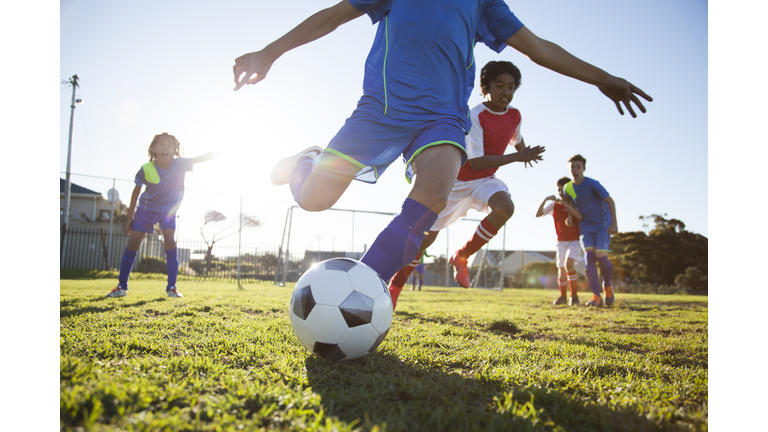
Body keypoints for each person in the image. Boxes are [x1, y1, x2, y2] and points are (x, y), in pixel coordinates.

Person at [232, 0, 652, 290]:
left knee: (433, 194)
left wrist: (603, 78)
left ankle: (364, 285)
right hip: (380, 109)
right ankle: (309, 160)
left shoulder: (486, 3)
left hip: (443, 117)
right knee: (314, 199)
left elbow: (539, 49)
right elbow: (331, 17)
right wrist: (270, 52)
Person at [387, 60, 544, 309]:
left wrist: (526, 152)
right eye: (500, 86)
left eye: (511, 87)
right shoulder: (476, 115)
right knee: (425, 241)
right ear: (486, 89)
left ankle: (462, 256)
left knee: (506, 207)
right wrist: (518, 157)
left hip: (483, 181)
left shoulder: (515, 115)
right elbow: (479, 161)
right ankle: (396, 285)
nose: (506, 92)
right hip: (457, 181)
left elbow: (517, 138)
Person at [106, 133, 218, 298]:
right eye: (161, 144)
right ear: (154, 149)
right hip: (146, 210)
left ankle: (171, 288)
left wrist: (221, 152)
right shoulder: (146, 169)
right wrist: (130, 217)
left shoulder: (180, 164)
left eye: (169, 145)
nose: (165, 147)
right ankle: (121, 286)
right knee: (134, 241)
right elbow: (136, 192)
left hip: (168, 211)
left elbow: (201, 158)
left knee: (170, 241)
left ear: (174, 150)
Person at [562, 154, 616, 306]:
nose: (575, 170)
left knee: (600, 254)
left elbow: (610, 201)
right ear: (569, 169)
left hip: (602, 224)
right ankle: (596, 296)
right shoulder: (568, 188)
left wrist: (614, 224)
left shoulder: (592, 184)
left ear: (583, 169)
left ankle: (608, 285)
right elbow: (572, 203)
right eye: (572, 167)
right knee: (589, 258)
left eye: (578, 167)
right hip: (585, 226)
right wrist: (571, 218)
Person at [536, 176, 583, 306]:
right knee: (561, 269)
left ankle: (574, 296)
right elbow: (538, 214)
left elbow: (578, 217)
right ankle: (563, 296)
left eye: (563, 190)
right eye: (559, 190)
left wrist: (568, 208)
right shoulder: (554, 205)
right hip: (561, 242)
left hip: (574, 240)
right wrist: (545, 199)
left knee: (569, 264)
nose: (561, 193)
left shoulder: (575, 204)